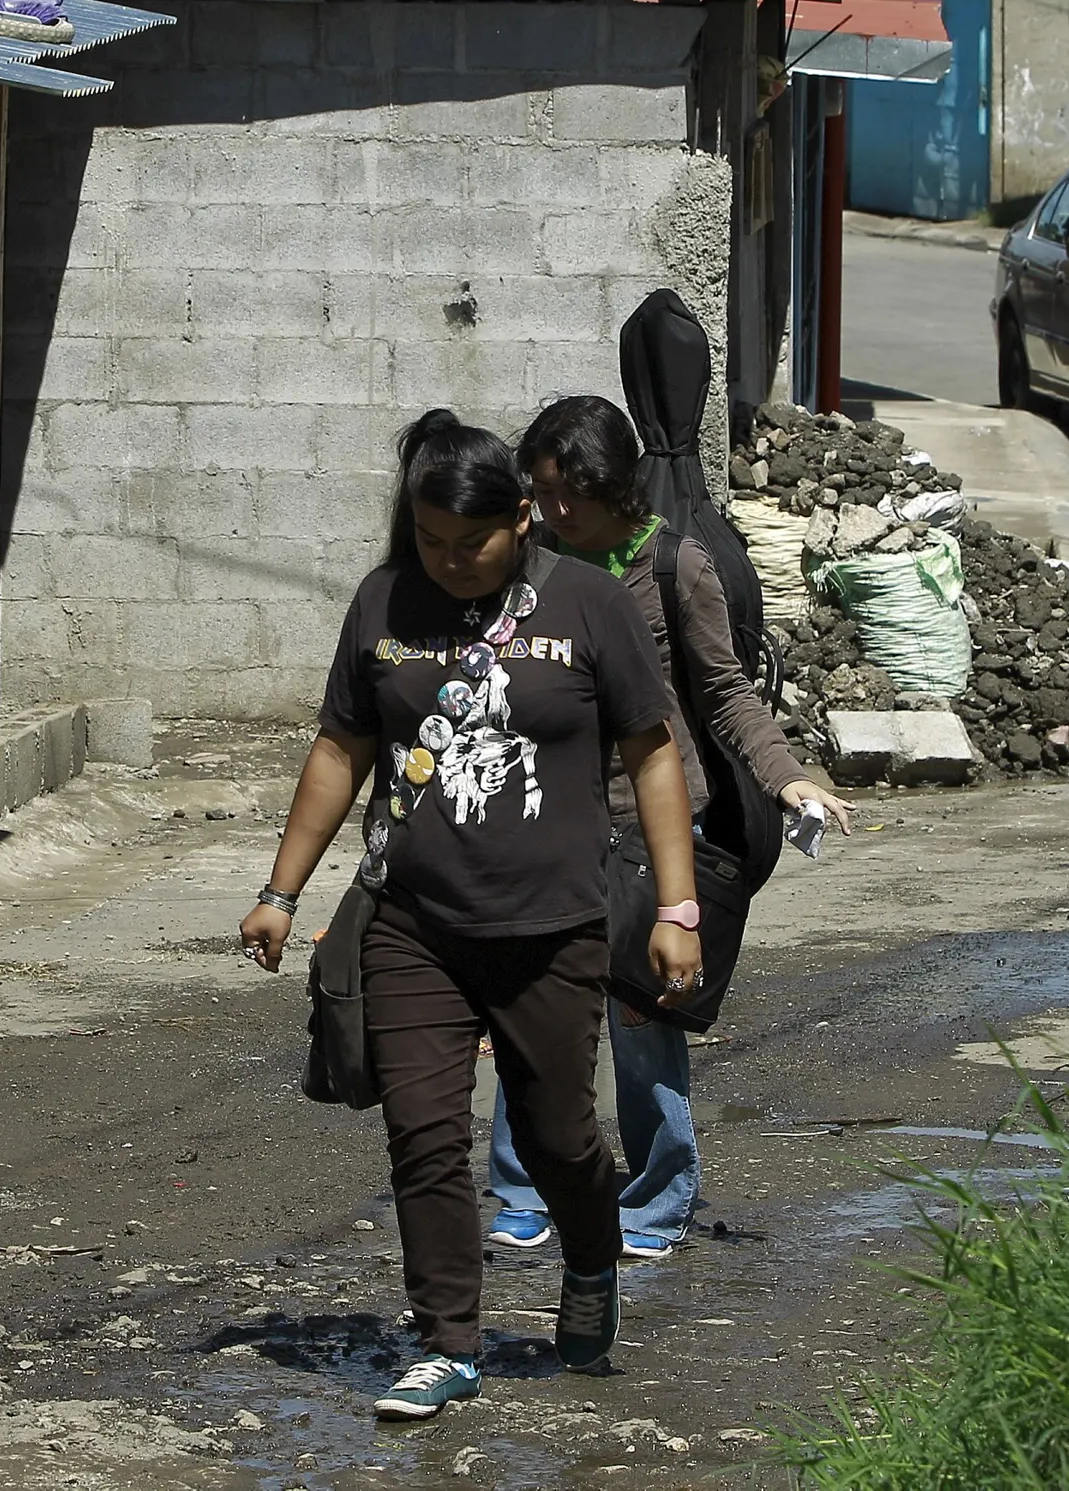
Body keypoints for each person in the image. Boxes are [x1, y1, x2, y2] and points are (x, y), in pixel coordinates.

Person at [240, 410, 706, 1423]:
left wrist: (678, 906)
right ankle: (446, 1342)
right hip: (414, 922)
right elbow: (339, 749)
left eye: (473, 544)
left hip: (553, 930)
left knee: (557, 1136)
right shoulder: (381, 604)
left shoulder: (586, 604)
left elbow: (652, 748)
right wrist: (282, 892)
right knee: (424, 1135)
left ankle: (591, 1259)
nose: (450, 564)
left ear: (523, 521)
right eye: (431, 543)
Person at [485, 396, 853, 1260]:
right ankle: (521, 1185)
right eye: (539, 491)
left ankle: (654, 1200)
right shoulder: (528, 563)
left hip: (650, 826)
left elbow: (725, 692)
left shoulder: (673, 568)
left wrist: (790, 778)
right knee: (529, 1006)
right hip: (547, 813)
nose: (551, 509)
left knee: (643, 1013)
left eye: (564, 490)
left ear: (608, 483)